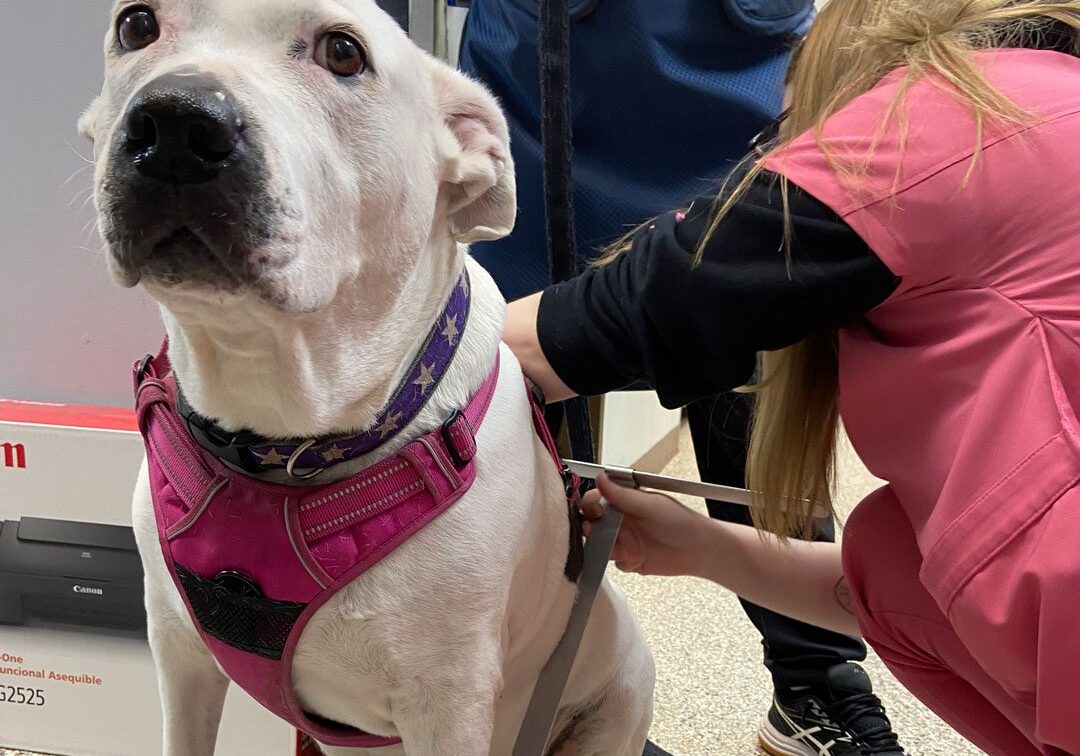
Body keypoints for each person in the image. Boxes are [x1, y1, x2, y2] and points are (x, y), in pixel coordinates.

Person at [504, 0, 1080, 753]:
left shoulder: (962, 116)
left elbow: (668, 294)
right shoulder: (1044, 99)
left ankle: (814, 685)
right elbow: (890, 590)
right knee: (895, 551)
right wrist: (711, 550)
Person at [458, 2, 907, 754]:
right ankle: (537, 699)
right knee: (513, 428)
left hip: (737, 66)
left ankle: (815, 689)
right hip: (550, 83)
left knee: (756, 383)